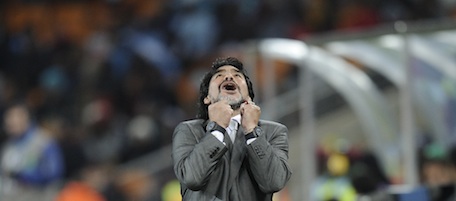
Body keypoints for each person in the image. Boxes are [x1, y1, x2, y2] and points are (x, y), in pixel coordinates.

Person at [172, 57, 292, 201]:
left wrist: (252, 132)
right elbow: (192, 178)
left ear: (248, 96)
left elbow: (274, 182)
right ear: (207, 98)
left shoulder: (274, 132)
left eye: (237, 75)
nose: (229, 76)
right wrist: (217, 128)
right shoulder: (188, 131)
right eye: (219, 75)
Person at [0, 102, 64, 201]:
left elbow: (54, 174)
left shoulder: (44, 142)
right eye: (8, 118)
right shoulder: (8, 146)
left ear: (26, 117)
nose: (11, 122)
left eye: (15, 117)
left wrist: (23, 176)